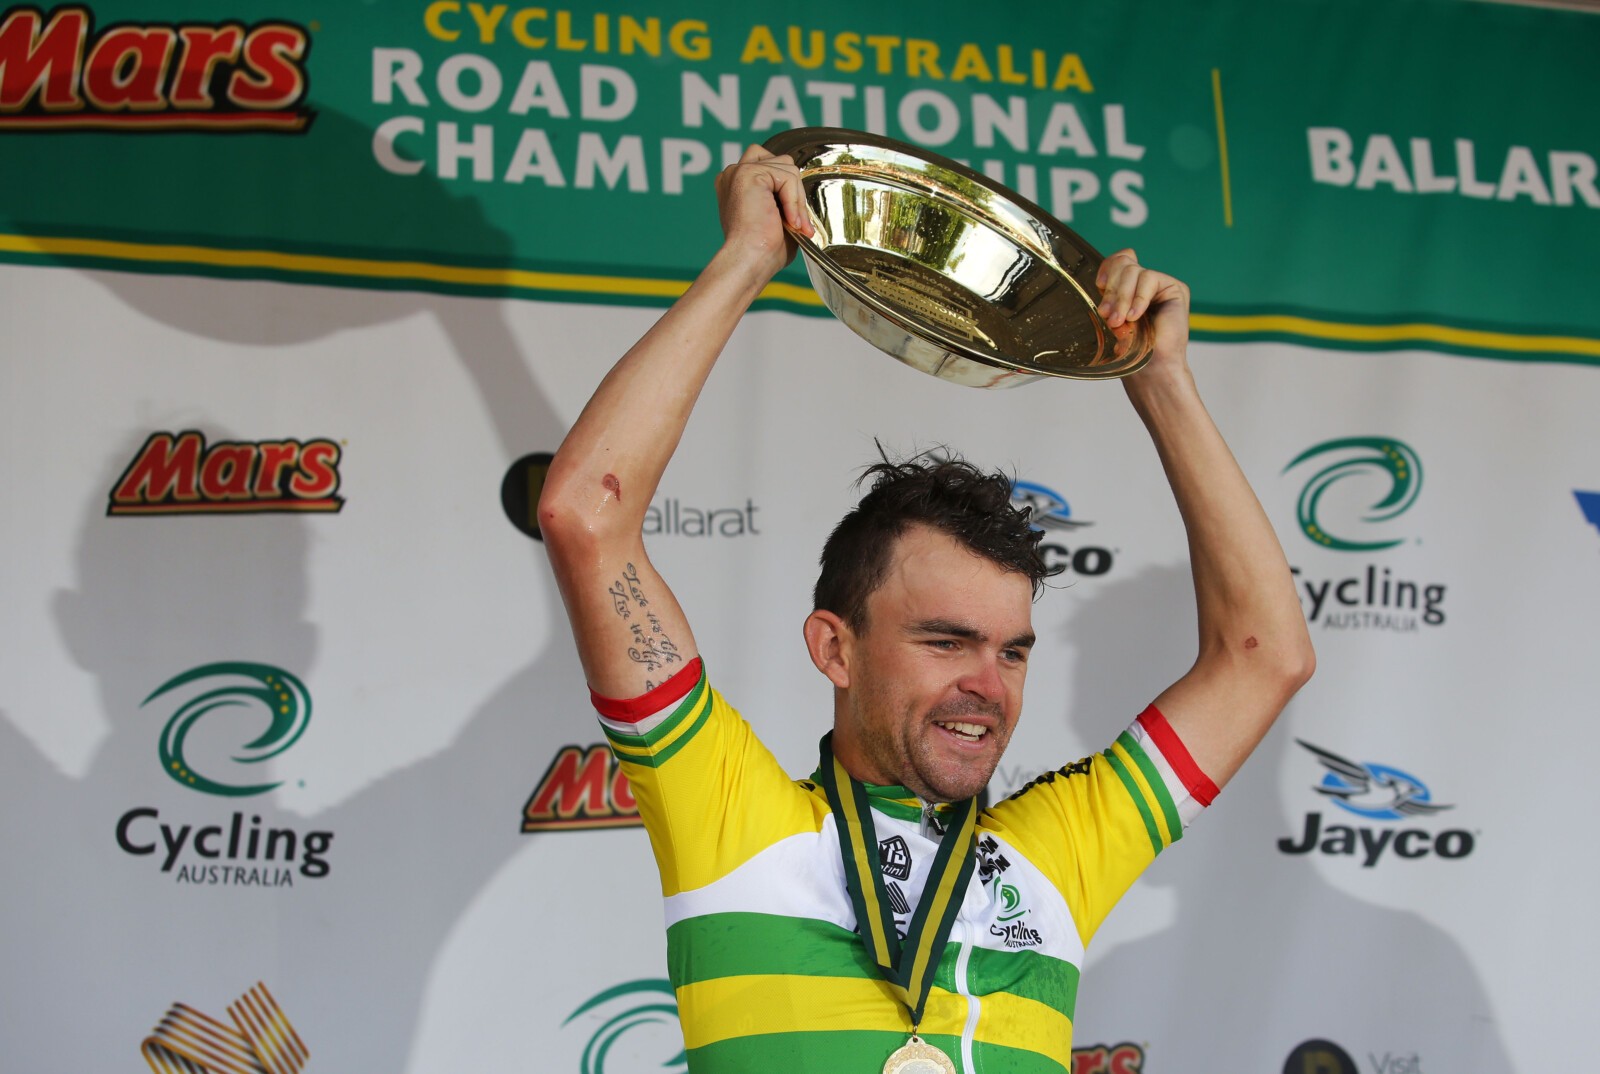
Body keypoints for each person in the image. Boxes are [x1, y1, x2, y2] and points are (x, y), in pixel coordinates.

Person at [537, 143, 1315, 1074]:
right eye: (945, 641)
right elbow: (587, 515)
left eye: (1012, 652)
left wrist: (1156, 376)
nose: (985, 687)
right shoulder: (732, 817)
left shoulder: (1058, 853)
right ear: (836, 647)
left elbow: (1266, 655)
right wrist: (748, 258)